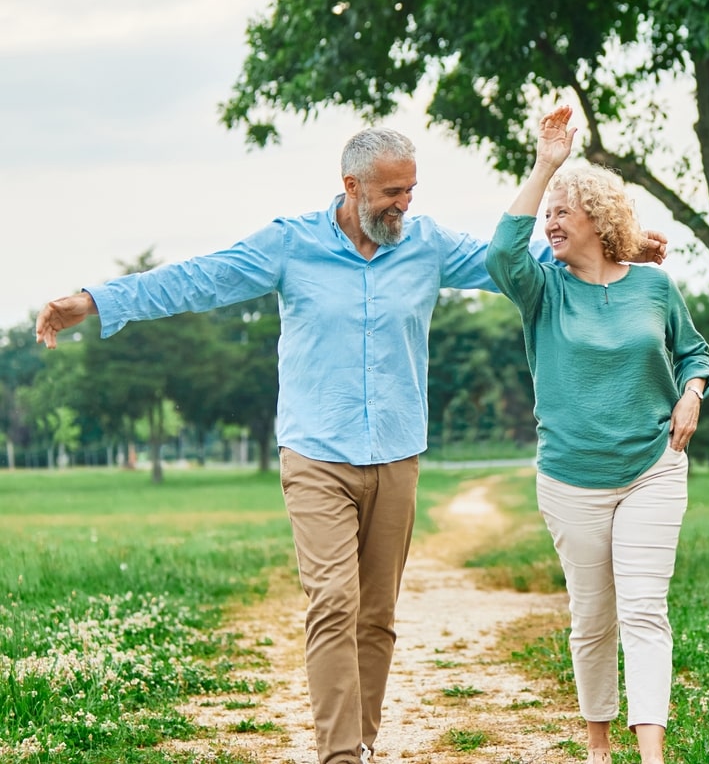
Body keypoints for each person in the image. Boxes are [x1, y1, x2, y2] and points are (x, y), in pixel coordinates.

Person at [35, 125, 668, 764]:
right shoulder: (292, 244)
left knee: (376, 616)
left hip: (395, 453)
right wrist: (94, 300)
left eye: (411, 190)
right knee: (333, 603)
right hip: (316, 452)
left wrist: (616, 245)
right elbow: (200, 278)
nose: (405, 204)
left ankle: (361, 742)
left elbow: (516, 264)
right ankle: (339, 755)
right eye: (392, 192)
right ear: (352, 187)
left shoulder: (427, 244)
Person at [485, 106, 709, 764]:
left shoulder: (654, 286)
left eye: (563, 211)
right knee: (593, 618)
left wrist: (691, 393)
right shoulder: (541, 290)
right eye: (546, 212)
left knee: (644, 610)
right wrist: (547, 165)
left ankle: (652, 755)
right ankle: (596, 746)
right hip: (570, 477)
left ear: (599, 217)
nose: (549, 221)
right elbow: (504, 250)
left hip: (653, 465)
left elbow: (695, 353)